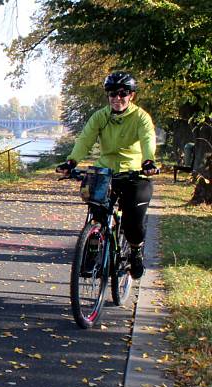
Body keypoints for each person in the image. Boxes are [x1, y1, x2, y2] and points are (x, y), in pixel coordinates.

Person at [56, 72, 158, 279]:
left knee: (133, 221)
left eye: (123, 93)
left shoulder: (141, 118)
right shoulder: (100, 116)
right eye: (112, 93)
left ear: (132, 96)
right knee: (96, 211)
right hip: (105, 172)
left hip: (134, 173)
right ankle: (93, 248)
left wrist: (148, 161)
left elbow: (148, 139)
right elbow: (85, 139)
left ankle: (135, 252)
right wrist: (71, 161)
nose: (117, 98)